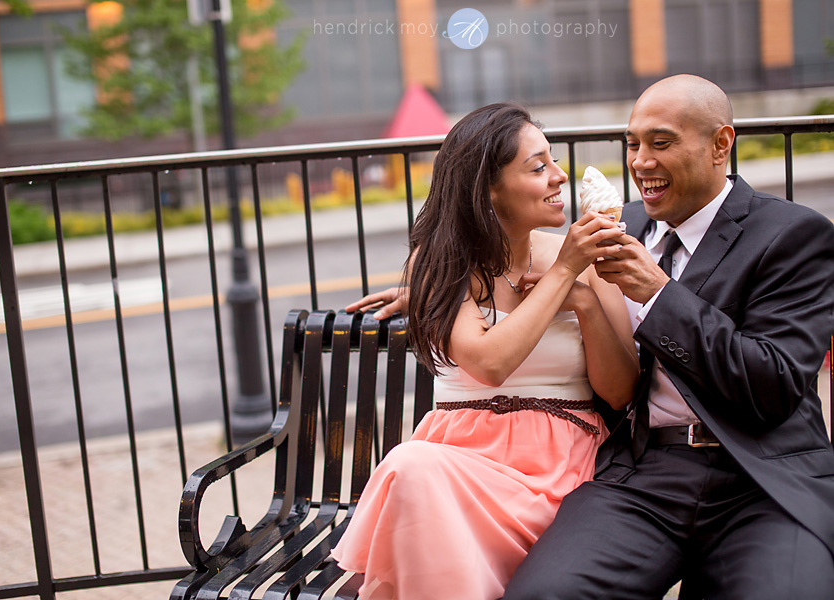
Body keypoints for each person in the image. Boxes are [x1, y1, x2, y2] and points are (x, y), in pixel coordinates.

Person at [500, 75, 834, 599]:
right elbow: (524, 265)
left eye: (661, 142)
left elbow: (772, 384)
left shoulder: (793, 236)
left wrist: (659, 294)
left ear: (721, 143)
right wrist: (430, 287)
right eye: (633, 144)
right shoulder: (615, 226)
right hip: (644, 472)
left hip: (761, 480)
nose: (640, 161)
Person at [330, 102, 640, 600]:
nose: (559, 176)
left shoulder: (586, 261)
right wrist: (562, 274)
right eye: (538, 168)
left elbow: (622, 390)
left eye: (553, 161)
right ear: (488, 190)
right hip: (458, 458)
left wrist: (582, 297)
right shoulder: (438, 265)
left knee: (414, 474)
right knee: (414, 470)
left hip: (556, 465)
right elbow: (489, 363)